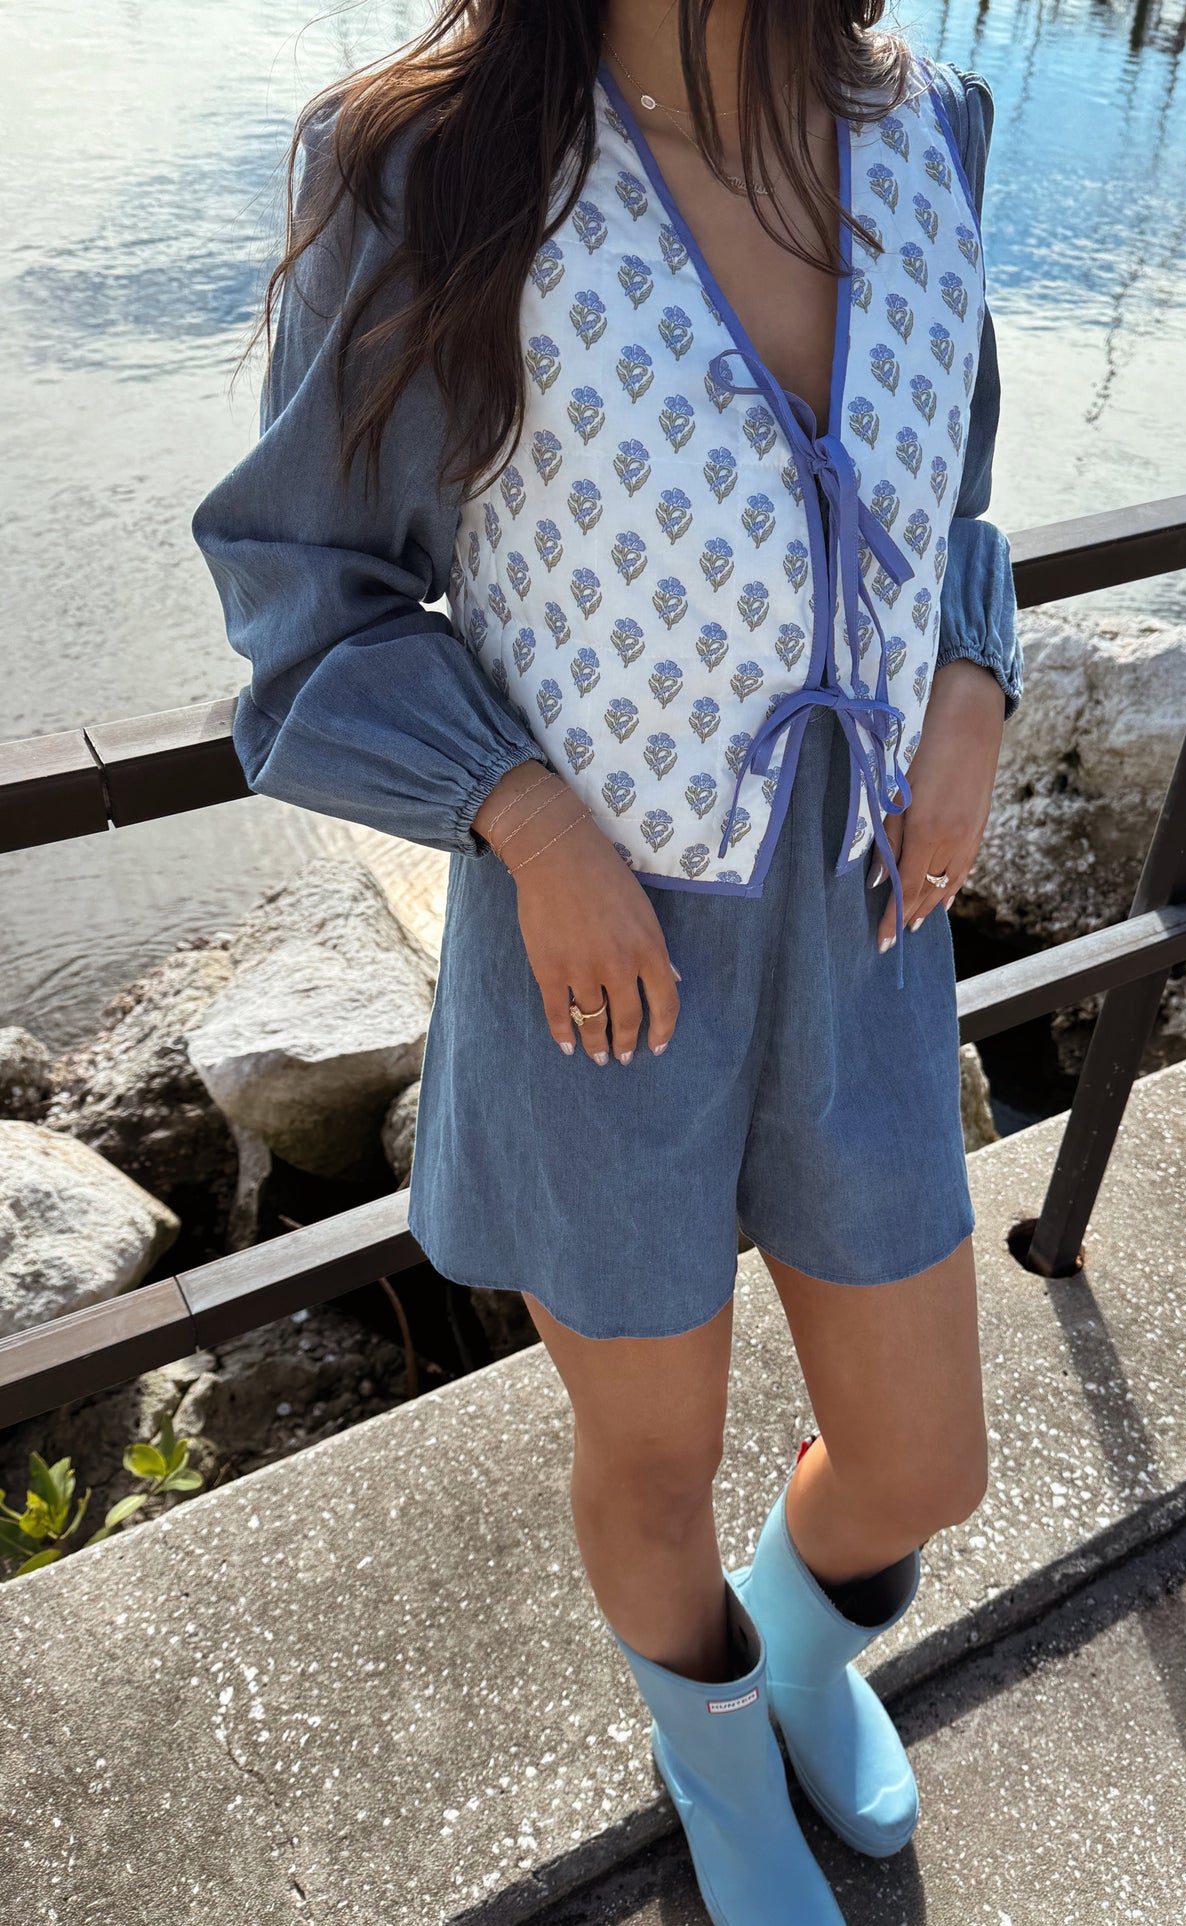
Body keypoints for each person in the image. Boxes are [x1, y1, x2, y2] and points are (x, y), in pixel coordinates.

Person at [193, 3, 1022, 1918]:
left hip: (867, 927)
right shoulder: (428, 167)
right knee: (650, 1456)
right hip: (599, 960)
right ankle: (713, 1751)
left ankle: (793, 1651)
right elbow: (303, 587)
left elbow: (952, 489)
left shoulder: (933, 126)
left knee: (922, 1461)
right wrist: (517, 807)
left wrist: (972, 674)